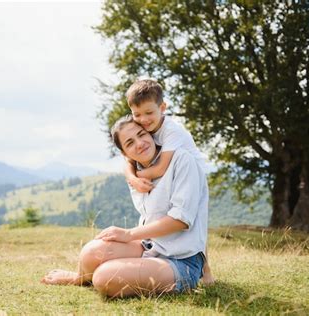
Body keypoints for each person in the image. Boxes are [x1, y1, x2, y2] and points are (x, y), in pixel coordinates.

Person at [41, 116, 209, 298]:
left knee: (104, 278)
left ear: (152, 134)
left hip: (182, 261)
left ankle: (116, 274)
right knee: (91, 253)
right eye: (130, 142)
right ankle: (79, 278)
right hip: (151, 247)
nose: (140, 143)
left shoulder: (182, 160)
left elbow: (181, 220)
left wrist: (129, 234)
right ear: (125, 154)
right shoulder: (135, 174)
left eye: (142, 134)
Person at [124, 79, 215, 285]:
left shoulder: (172, 131)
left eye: (149, 113)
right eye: (137, 115)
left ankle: (205, 269)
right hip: (171, 172)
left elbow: (161, 168)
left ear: (162, 108)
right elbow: (126, 159)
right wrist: (131, 177)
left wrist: (138, 177)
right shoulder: (142, 128)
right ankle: (163, 251)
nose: (143, 120)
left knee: (195, 222)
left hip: (191, 175)